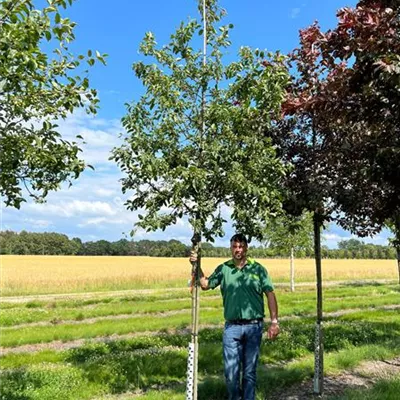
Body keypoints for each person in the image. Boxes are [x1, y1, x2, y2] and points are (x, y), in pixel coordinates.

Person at [190, 233, 279, 400]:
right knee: (231, 374)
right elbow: (205, 284)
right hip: (232, 328)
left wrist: (274, 322)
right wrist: (196, 264)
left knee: (249, 373)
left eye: (241, 246)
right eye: (234, 247)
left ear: (246, 247)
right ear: (231, 248)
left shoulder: (258, 269)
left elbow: (270, 294)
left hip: (254, 327)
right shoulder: (224, 269)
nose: (238, 250)